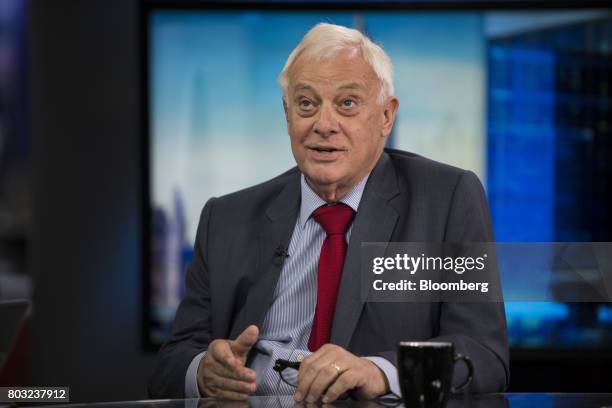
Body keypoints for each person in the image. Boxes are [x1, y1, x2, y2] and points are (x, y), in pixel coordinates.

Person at [148, 22, 509, 402]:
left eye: (347, 104)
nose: (324, 125)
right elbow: (170, 366)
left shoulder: (446, 199)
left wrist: (379, 371)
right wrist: (205, 372)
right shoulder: (225, 218)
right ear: (287, 115)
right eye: (306, 104)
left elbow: (483, 354)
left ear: (387, 116)